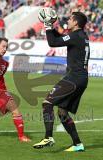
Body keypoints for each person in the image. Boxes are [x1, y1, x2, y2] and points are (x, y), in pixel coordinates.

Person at [33, 11, 90, 152]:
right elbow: (61, 38)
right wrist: (52, 27)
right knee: (62, 112)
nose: (68, 21)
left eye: (70, 19)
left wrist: (47, 26)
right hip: (82, 78)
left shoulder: (76, 36)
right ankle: (77, 144)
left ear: (76, 23)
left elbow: (53, 42)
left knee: (47, 103)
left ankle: (48, 137)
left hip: (74, 77)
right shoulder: (81, 36)